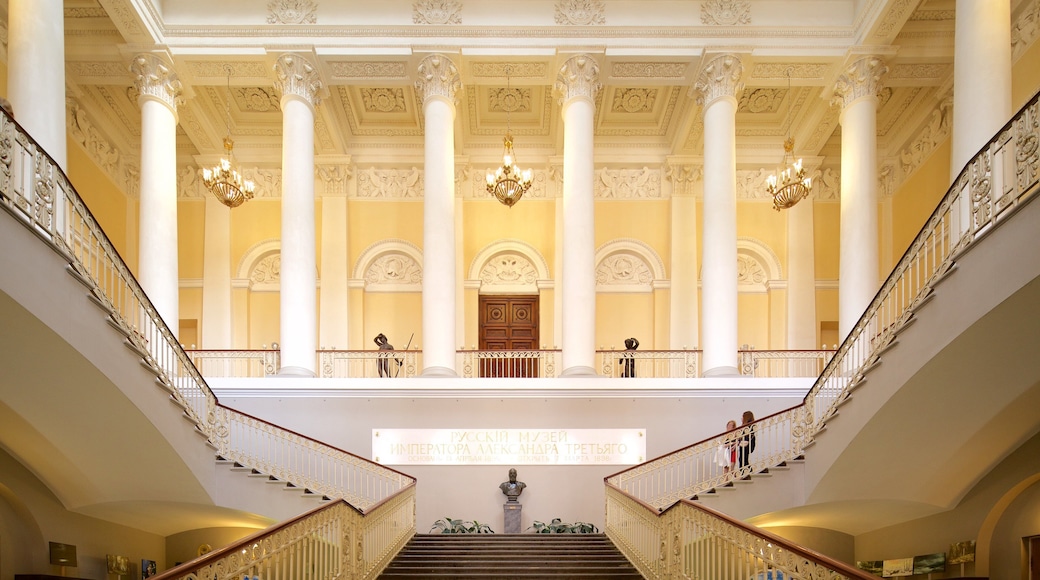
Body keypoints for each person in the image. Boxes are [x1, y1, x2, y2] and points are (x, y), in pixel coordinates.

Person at [737, 410, 756, 476]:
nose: (741, 418)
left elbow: (748, 436)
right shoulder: (747, 426)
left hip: (747, 443)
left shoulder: (749, 426)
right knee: (742, 459)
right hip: (744, 443)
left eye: (743, 417)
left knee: (743, 459)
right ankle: (745, 472)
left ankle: (746, 473)